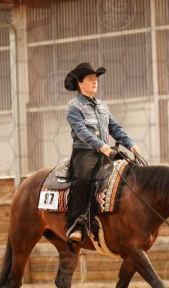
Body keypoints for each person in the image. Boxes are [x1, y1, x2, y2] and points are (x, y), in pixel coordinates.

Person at [64, 62, 139, 242]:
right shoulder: (73, 106)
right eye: (90, 79)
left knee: (130, 171)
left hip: (105, 151)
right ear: (80, 83)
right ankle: (77, 224)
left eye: (95, 79)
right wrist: (100, 145)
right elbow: (81, 131)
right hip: (85, 152)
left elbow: (115, 128)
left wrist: (130, 144)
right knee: (84, 178)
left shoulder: (103, 106)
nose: (95, 82)